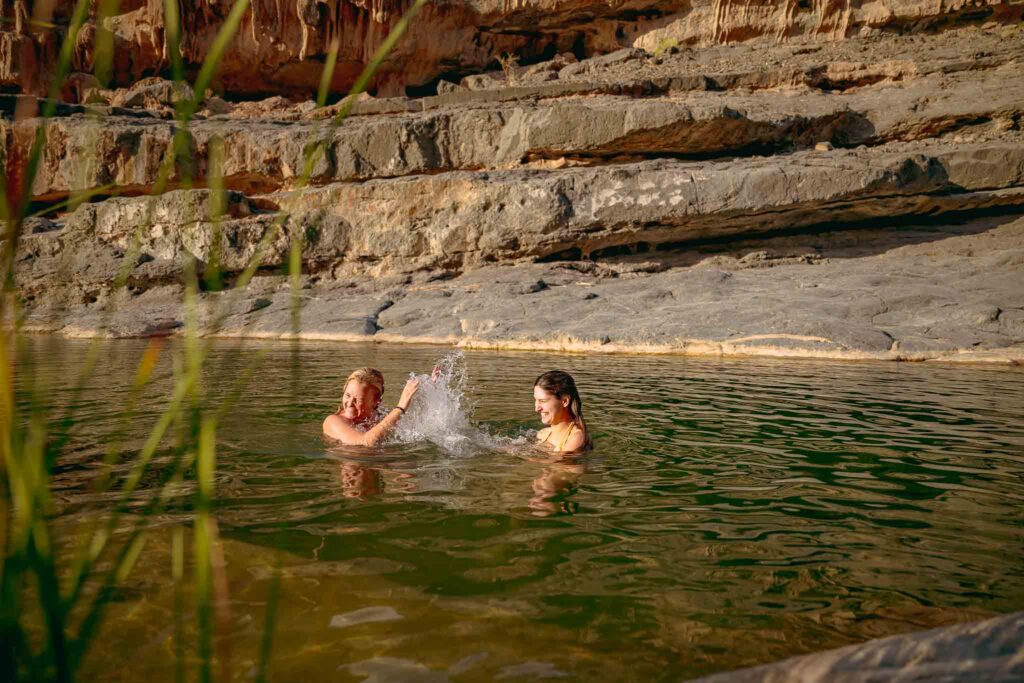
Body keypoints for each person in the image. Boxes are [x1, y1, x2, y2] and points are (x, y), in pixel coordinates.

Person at [323, 367, 420, 447]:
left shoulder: (382, 416)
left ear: (376, 402)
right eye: (347, 395)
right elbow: (364, 443)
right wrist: (400, 408)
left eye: (358, 400)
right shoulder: (333, 421)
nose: (350, 403)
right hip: (353, 461)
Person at [534, 370, 591, 453]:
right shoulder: (542, 434)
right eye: (535, 400)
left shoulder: (575, 438)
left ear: (565, 401)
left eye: (543, 401)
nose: (537, 408)